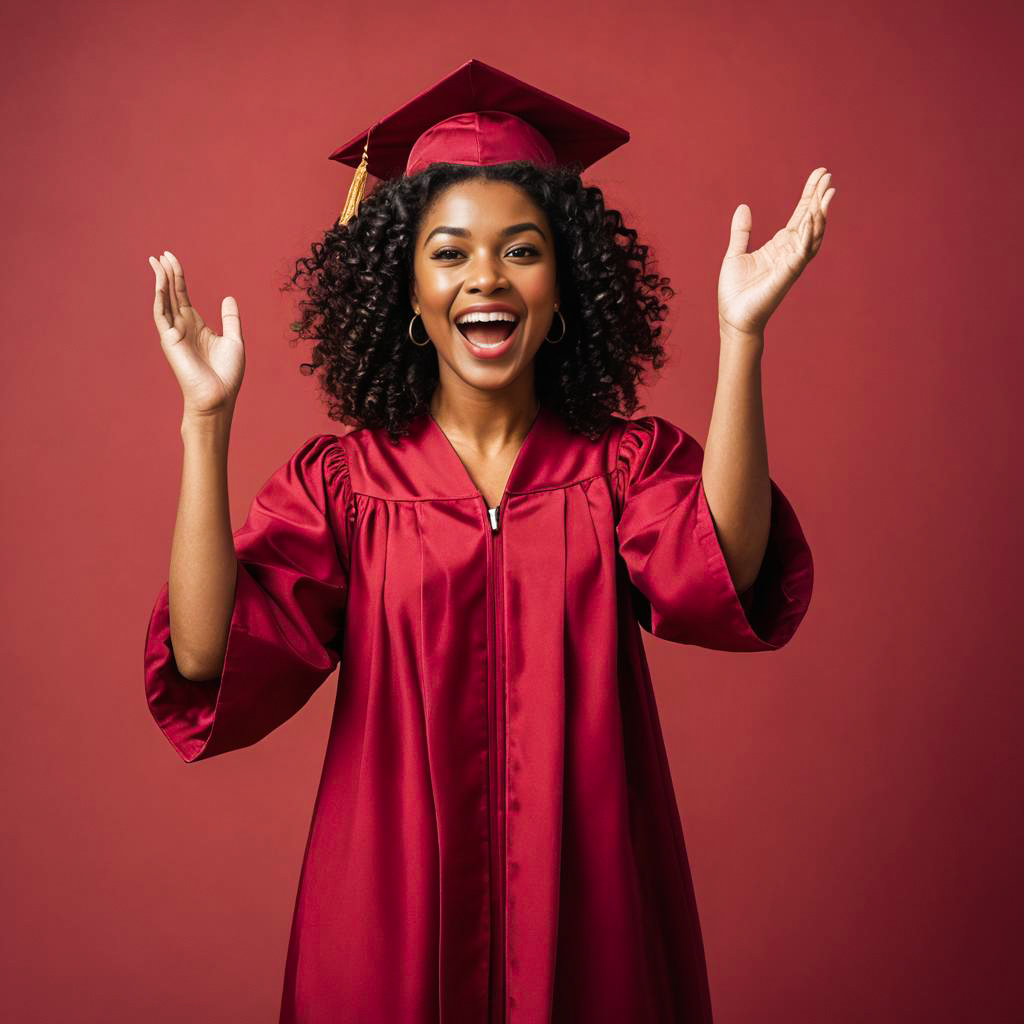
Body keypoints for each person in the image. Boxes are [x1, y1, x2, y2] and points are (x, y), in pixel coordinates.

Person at [144, 58, 831, 1024]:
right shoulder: (347, 486)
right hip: (386, 917)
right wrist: (204, 422)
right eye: (450, 252)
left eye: (521, 250)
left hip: (593, 903)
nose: (485, 279)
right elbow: (208, 654)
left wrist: (741, 339)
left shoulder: (620, 468)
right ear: (408, 289)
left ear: (566, 283)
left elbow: (725, 564)